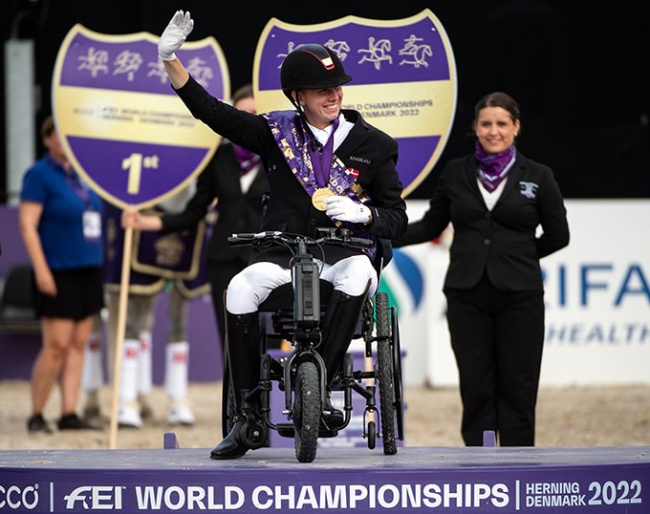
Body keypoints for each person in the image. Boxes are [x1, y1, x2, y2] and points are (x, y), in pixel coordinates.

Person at [123, 10, 407, 460]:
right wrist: (171, 59)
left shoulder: (375, 144)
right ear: (298, 96)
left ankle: (327, 383)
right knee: (238, 289)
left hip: (344, 251)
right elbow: (213, 113)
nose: (333, 95)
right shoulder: (275, 133)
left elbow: (397, 218)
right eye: (322, 90)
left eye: (337, 87)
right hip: (284, 253)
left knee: (356, 277)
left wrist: (363, 213)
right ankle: (248, 416)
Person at [393, 92, 570, 446]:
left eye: (502, 123)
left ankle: (519, 466)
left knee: (518, 389)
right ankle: (479, 465)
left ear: (516, 128)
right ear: (475, 127)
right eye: (486, 124)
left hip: (520, 297)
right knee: (476, 388)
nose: (493, 131)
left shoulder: (538, 175)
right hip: (466, 295)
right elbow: (431, 226)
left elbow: (558, 236)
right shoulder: (456, 172)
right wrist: (380, 233)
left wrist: (517, 257)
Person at [122, 83, 270, 355]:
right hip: (224, 261)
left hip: (267, 260)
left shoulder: (278, 157)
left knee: (267, 340)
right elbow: (195, 211)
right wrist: (145, 223)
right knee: (231, 340)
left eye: (254, 112)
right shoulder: (217, 158)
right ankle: (236, 398)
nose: (248, 118)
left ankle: (268, 398)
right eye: (242, 112)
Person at [19, 114, 105, 433]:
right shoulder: (39, 175)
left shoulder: (82, 175)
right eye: (59, 135)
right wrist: (41, 270)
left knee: (79, 343)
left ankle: (69, 412)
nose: (65, 142)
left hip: (88, 267)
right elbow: (27, 225)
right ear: (47, 140)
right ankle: (36, 413)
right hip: (57, 269)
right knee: (55, 344)